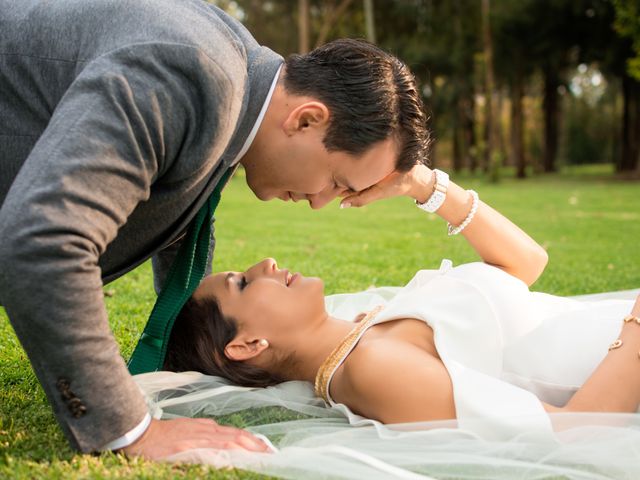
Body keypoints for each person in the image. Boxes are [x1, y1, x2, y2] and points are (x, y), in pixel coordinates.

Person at [0, 0, 430, 459]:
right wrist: (130, 428)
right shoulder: (188, 73)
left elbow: (179, 196)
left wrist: (191, 357)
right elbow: (45, 241)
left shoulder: (237, 74)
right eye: (336, 181)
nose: (323, 201)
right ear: (306, 119)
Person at [164, 163, 640, 430]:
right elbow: (579, 427)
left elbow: (526, 265)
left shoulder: (368, 324)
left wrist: (422, 185)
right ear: (247, 346)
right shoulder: (372, 368)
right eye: (242, 284)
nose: (264, 265)